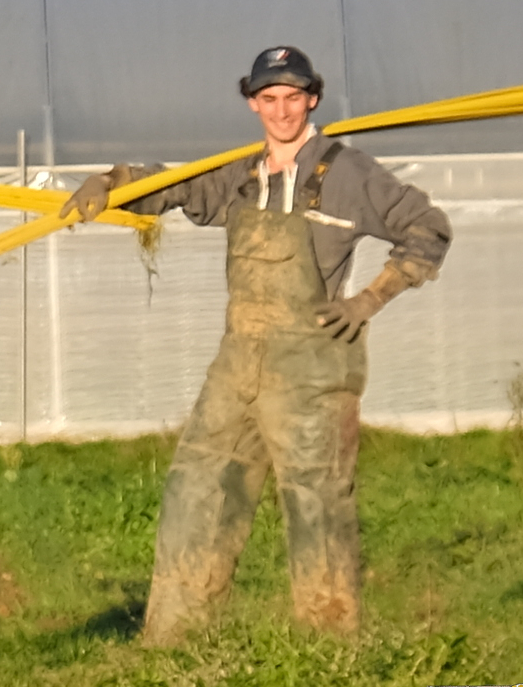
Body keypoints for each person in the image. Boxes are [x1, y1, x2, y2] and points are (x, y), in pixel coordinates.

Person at [60, 47, 452, 645]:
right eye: (269, 99)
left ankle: (330, 656)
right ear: (253, 103)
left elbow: (427, 227)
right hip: (238, 362)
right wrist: (114, 184)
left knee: (317, 509)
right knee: (196, 490)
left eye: (293, 97)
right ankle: (174, 650)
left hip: (312, 369)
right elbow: (174, 187)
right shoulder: (240, 173)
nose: (282, 110)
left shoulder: (347, 172)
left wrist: (367, 300)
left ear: (312, 99)